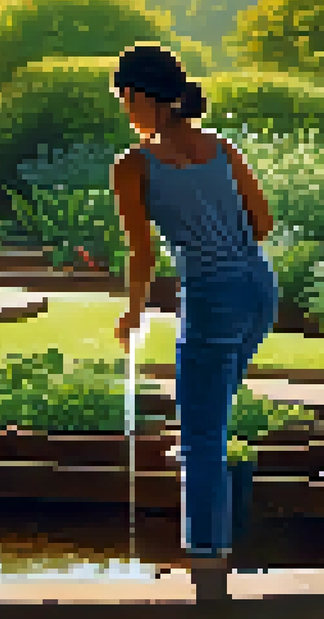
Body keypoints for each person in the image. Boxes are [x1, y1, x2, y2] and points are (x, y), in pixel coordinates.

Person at [108, 42, 278, 594]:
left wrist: (133, 313)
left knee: (201, 437)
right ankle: (219, 534)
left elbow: (142, 256)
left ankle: (206, 566)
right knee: (211, 419)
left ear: (140, 97)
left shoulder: (133, 166)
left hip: (211, 296)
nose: (125, 111)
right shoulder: (223, 149)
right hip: (259, 290)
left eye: (124, 99)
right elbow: (263, 223)